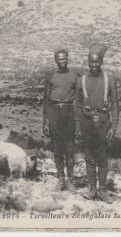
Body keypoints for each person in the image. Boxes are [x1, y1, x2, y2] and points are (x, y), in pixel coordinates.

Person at [75, 44, 119, 203]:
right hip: (87, 123)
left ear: (101, 62)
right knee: (89, 158)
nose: (94, 65)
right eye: (91, 62)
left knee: (102, 158)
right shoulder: (82, 80)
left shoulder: (109, 78)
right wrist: (79, 128)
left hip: (103, 123)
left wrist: (113, 127)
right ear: (88, 62)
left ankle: (102, 190)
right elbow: (78, 106)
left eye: (97, 62)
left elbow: (115, 104)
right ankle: (92, 189)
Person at [43, 48, 78, 192]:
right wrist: (45, 121)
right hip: (54, 113)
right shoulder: (51, 76)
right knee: (57, 149)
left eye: (64, 58)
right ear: (56, 60)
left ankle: (70, 180)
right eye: (60, 58)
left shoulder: (75, 76)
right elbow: (46, 100)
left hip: (69, 113)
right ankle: (61, 179)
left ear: (67, 59)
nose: (62, 60)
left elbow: (79, 98)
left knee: (70, 149)